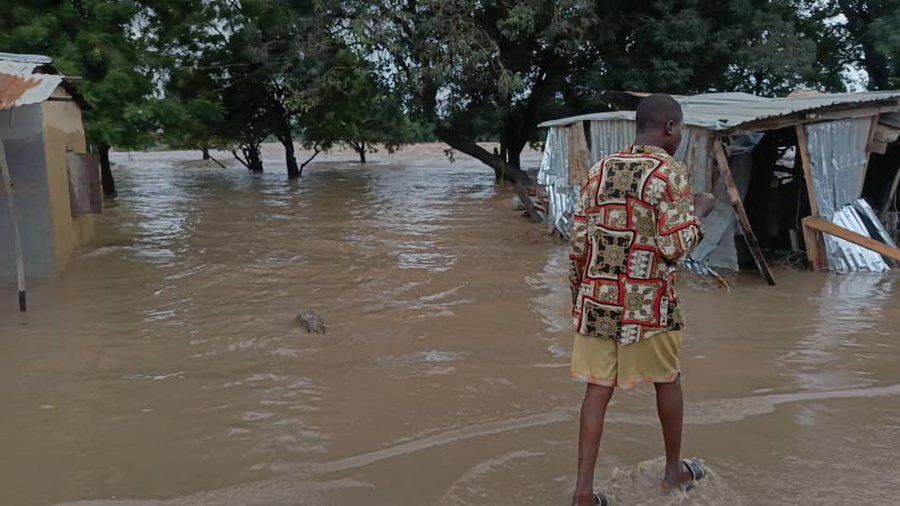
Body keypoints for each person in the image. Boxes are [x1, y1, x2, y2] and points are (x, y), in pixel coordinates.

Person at [568, 94, 714, 506]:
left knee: (597, 391)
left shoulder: (599, 170)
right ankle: (672, 472)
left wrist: (579, 300)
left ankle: (582, 493)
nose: (680, 136)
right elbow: (674, 246)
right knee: (668, 379)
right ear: (670, 127)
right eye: (681, 128)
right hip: (647, 304)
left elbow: (578, 244)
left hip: (597, 302)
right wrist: (699, 211)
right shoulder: (670, 173)